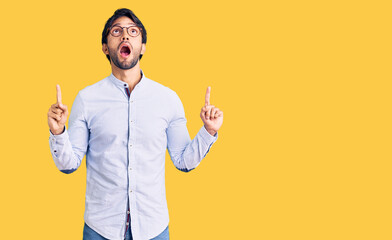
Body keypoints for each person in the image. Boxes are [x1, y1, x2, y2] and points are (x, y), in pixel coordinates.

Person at [47, 8, 223, 240]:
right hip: (101, 229)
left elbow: (183, 161)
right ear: (104, 47)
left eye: (133, 31)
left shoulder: (168, 98)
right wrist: (58, 132)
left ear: (143, 47)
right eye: (116, 31)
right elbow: (69, 164)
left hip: (154, 228)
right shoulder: (86, 98)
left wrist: (208, 131)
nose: (125, 36)